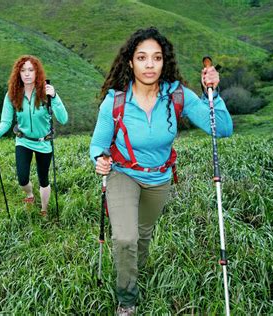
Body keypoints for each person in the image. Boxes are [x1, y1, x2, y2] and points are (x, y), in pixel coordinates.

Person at [89, 27, 233, 315]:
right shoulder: (115, 101)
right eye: (142, 57)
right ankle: (127, 299)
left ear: (164, 62)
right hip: (123, 173)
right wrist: (99, 160)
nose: (150, 64)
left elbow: (223, 129)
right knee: (125, 238)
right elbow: (98, 144)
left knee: (142, 235)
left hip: (159, 178)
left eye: (156, 57)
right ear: (130, 62)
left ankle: (132, 268)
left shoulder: (177, 95)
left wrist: (212, 94)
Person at [0, 55, 68, 217]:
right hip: (23, 141)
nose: (27, 74)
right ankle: (30, 195)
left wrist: (55, 97)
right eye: (23, 70)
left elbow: (63, 119)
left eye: (31, 70)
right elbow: (6, 121)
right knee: (22, 179)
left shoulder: (46, 93)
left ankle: (44, 210)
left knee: (43, 179)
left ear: (37, 72)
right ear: (18, 73)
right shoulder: (12, 94)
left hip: (44, 142)